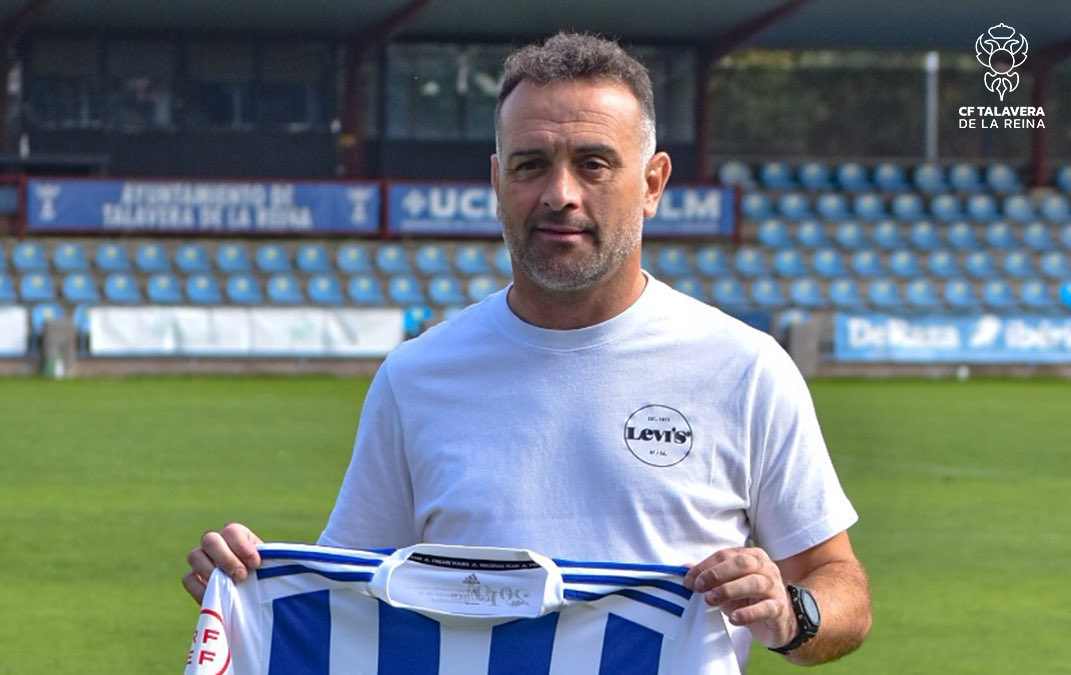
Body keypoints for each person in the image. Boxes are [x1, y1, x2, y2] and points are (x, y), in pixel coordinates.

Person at [184, 32, 871, 670]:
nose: (559, 194)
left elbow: (839, 583)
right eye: (530, 164)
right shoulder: (418, 375)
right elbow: (344, 599)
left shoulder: (744, 368)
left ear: (654, 182)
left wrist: (790, 612)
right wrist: (251, 583)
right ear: (497, 181)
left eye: (594, 163)